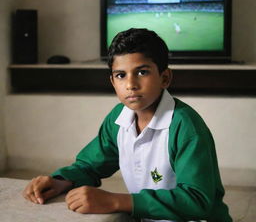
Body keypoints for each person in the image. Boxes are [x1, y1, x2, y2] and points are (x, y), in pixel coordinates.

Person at [23, 28, 232, 222]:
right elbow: (91, 165)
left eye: (142, 72)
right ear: (113, 82)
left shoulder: (185, 126)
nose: (131, 84)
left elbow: (196, 200)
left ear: (165, 77)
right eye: (121, 75)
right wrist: (61, 181)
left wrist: (117, 201)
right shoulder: (118, 119)